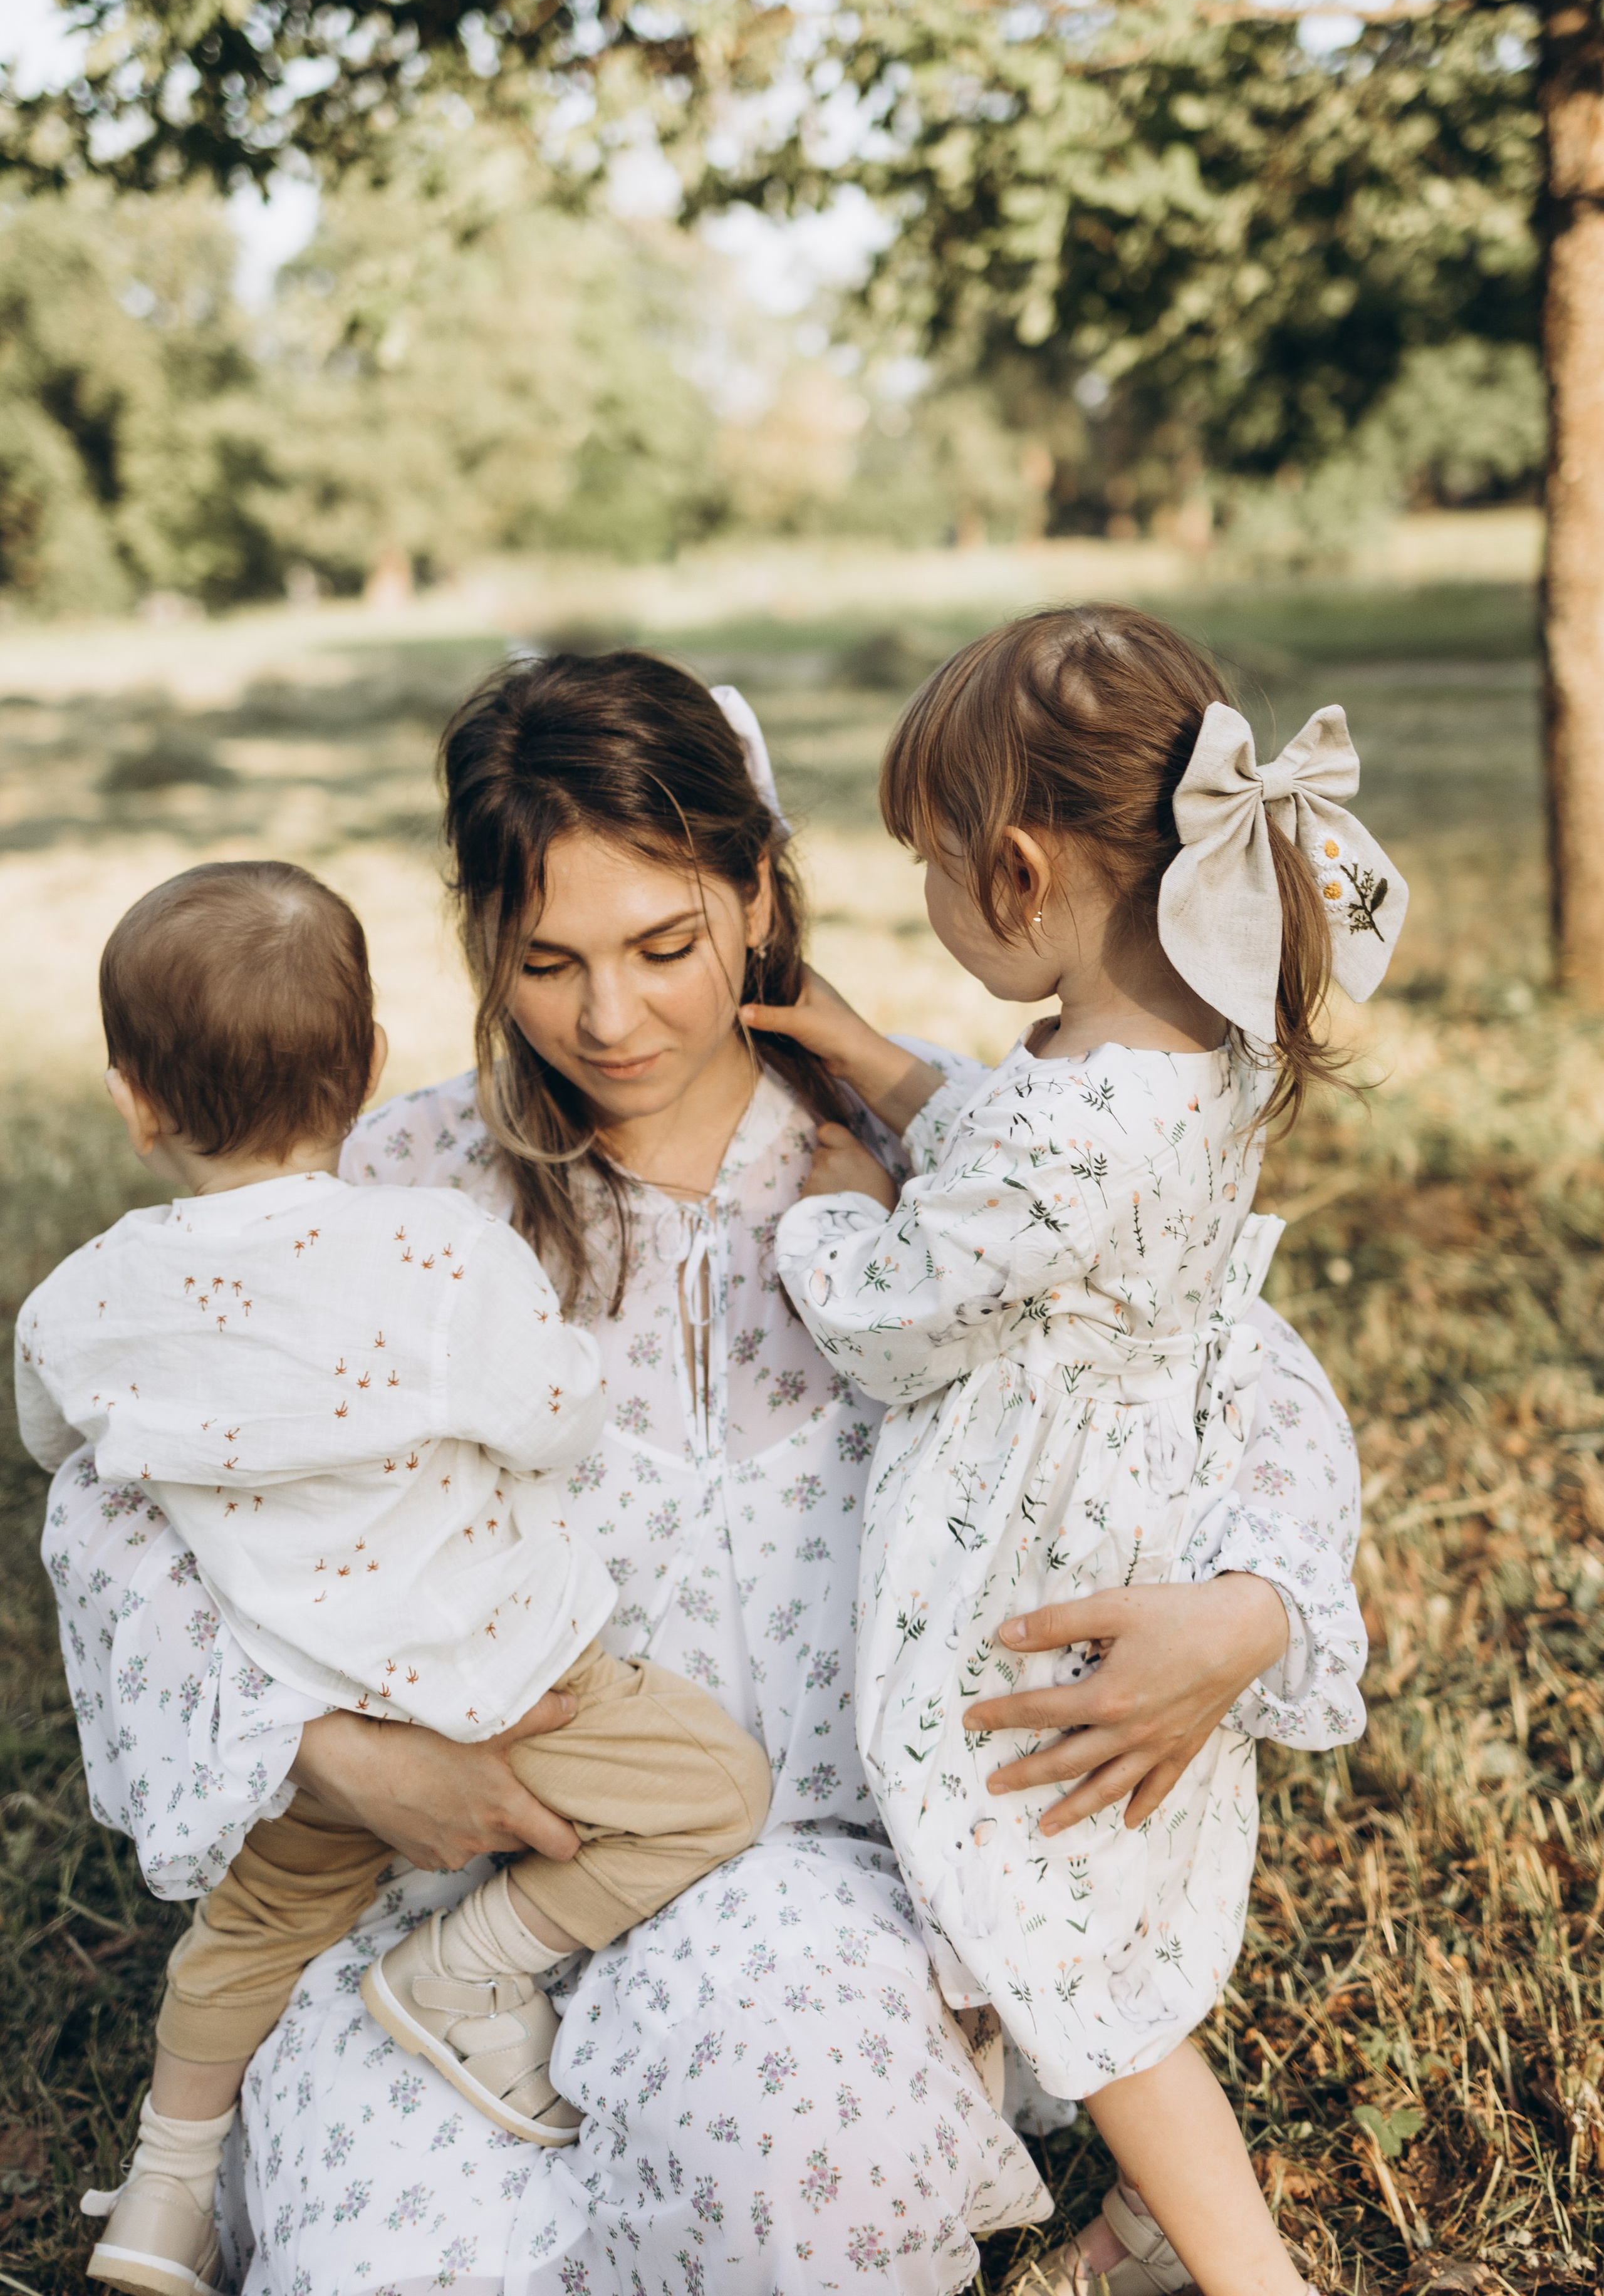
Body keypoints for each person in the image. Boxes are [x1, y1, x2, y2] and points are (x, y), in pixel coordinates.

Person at [41, 652, 1368, 2296]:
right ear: (479, 945)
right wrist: (331, 1756)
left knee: (778, 2182)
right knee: (406, 2262)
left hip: (825, 1885)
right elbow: (125, 1505)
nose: (610, 1020)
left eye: (666, 947)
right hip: (465, 1906)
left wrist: (1249, 1607)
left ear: (757, 893)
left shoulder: (932, 1154)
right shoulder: (388, 1197)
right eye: (547, 962)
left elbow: (1227, 1366)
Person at [760, 607, 1403, 2296]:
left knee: (1058, 1942)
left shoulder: (1069, 1128)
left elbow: (901, 1317)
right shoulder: (1184, 1056)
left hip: (1033, 1576)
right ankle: (1130, 2218)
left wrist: (834, 1215)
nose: (925, 894)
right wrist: (885, 1066)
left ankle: (1244, 2271)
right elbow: (1019, 1140)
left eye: (929, 862)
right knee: (1103, 1903)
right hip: (1143, 1518)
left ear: (1022, 874)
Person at [18, 860, 769, 2296]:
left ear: (133, 1100)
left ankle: (164, 2201)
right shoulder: (436, 1254)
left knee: (243, 1938)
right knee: (713, 1791)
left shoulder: (89, 1298)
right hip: (519, 1681)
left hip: (319, 1719)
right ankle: (467, 1967)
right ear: (365, 1067)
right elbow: (559, 1417)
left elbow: (59, 1439)